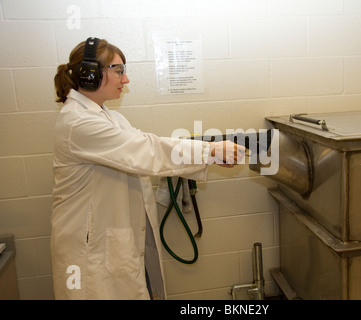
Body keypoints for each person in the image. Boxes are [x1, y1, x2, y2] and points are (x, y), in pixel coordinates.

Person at [51, 37, 245, 300]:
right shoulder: (79, 122)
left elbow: (144, 148)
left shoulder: (108, 116)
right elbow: (146, 150)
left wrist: (208, 156)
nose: (126, 79)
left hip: (114, 239)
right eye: (118, 71)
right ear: (91, 75)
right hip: (89, 249)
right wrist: (208, 150)